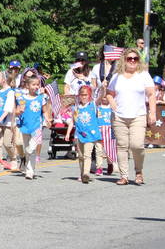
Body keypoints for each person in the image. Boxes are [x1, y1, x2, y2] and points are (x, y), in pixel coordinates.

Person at [106, 48, 157, 186]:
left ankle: (139, 171)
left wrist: (152, 113)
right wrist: (113, 104)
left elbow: (151, 94)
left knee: (137, 145)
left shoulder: (143, 75)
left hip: (138, 115)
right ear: (124, 60)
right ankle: (124, 176)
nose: (133, 61)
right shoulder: (117, 76)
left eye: (135, 58)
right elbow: (109, 93)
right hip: (119, 116)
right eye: (130, 58)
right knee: (122, 146)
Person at [15, 74, 51, 180]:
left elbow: (45, 111)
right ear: (27, 86)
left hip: (37, 127)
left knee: (32, 148)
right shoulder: (22, 98)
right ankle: (29, 171)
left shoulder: (41, 98)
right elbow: (16, 111)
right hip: (25, 126)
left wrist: (48, 120)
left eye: (37, 85)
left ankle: (30, 171)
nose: (36, 87)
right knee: (27, 149)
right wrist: (19, 111)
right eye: (33, 84)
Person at [66, 85, 102, 184]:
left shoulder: (93, 105)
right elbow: (73, 122)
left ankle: (86, 173)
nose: (84, 97)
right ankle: (82, 173)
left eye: (86, 95)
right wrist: (68, 133)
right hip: (79, 135)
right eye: (82, 95)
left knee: (87, 155)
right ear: (79, 96)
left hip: (90, 135)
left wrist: (103, 88)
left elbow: (101, 96)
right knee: (81, 156)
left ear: (89, 95)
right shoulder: (76, 108)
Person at [0, 69, 18, 170]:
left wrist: (2, 117)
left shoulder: (10, 92)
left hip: (8, 122)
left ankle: (13, 159)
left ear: (4, 79)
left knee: (7, 143)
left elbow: (9, 107)